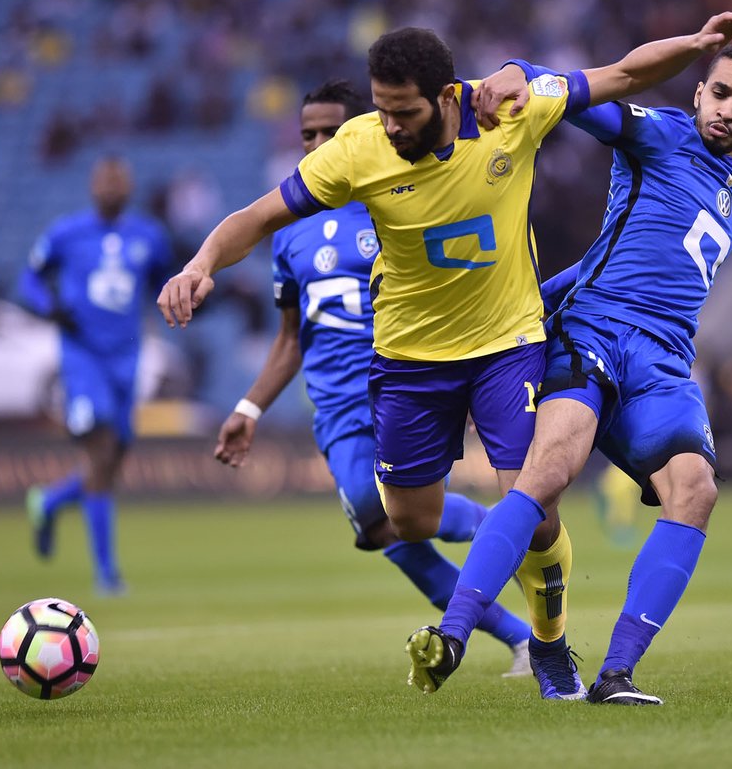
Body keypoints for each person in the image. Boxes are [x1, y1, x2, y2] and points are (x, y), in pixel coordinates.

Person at [157, 12, 732, 700]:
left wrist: (683, 47)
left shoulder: (511, 114)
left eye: (403, 111)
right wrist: (203, 260)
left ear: (446, 95)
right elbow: (259, 217)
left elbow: (619, 75)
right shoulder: (356, 149)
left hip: (509, 345)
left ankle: (548, 645)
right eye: (382, 110)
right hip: (412, 356)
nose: (390, 125)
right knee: (408, 519)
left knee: (540, 500)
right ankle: (494, 561)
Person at [413, 41, 732, 705]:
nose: (728, 110)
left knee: (696, 490)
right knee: (547, 477)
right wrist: (517, 74)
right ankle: (456, 633)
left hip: (664, 364)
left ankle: (615, 675)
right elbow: (574, 97)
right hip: (594, 338)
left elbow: (625, 260)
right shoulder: (659, 133)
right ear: (699, 92)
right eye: (720, 93)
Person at [213, 80, 532, 676]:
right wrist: (250, 409)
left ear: (360, 131)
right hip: (334, 407)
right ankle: (507, 576)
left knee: (386, 517)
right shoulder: (290, 232)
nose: (316, 144)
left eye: (329, 133)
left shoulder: (391, 196)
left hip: (398, 381)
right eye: (306, 134)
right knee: (378, 523)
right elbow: (290, 338)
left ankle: (510, 564)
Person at [20, 156, 174, 595]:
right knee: (102, 454)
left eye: (119, 179)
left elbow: (166, 282)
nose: (111, 186)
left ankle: (48, 502)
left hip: (127, 360)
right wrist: (50, 308)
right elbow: (29, 278)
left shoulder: (149, 236)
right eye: (105, 179)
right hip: (83, 359)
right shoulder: (66, 233)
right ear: (92, 186)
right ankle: (107, 575)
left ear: (129, 186)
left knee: (113, 461)